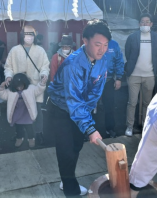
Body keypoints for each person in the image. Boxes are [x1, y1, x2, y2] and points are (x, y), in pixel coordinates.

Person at [47, 19, 111, 197]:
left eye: (105, 45)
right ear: (85, 41)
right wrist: (90, 128)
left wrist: (87, 118)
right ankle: (70, 189)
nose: (102, 49)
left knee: (76, 146)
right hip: (61, 109)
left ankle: (66, 178)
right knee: (66, 150)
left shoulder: (102, 60)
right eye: (98, 44)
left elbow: (96, 91)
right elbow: (73, 100)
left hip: (80, 110)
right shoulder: (73, 64)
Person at [4, 25, 49, 146]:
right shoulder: (14, 50)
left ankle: (38, 133)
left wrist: (44, 75)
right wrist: (8, 76)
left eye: (31, 35)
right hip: (19, 87)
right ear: (22, 36)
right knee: (19, 111)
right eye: (26, 34)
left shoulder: (40, 50)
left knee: (37, 112)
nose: (29, 37)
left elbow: (45, 66)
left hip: (35, 86)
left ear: (34, 36)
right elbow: (8, 66)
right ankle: (20, 135)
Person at [124, 13, 157, 136]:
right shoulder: (132, 37)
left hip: (150, 75)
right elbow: (128, 53)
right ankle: (129, 126)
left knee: (147, 103)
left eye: (147, 22)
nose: (145, 24)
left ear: (151, 24)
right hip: (134, 75)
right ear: (139, 24)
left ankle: (145, 125)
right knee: (132, 102)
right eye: (142, 22)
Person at [0, 73, 46, 148]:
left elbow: (38, 90)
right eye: (17, 86)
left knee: (29, 127)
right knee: (18, 127)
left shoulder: (31, 88)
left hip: (27, 113)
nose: (19, 88)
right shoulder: (10, 91)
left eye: (21, 86)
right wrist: (2, 87)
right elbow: (3, 95)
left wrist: (42, 83)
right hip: (17, 114)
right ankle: (19, 138)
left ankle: (31, 139)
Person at [99, 20, 124, 138]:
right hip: (93, 82)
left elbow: (119, 61)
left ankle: (110, 129)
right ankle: (88, 131)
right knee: (89, 106)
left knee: (109, 106)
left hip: (109, 80)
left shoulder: (114, 45)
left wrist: (119, 78)